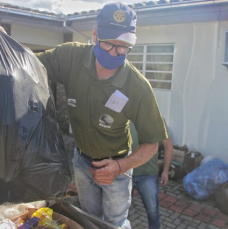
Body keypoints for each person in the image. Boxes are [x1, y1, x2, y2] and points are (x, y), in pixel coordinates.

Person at [36, 2, 168, 228]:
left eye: (123, 47)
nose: (115, 53)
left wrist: (121, 167)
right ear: (95, 34)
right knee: (89, 219)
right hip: (82, 161)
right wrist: (4, 44)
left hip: (117, 166)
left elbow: (152, 144)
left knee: (115, 224)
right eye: (108, 44)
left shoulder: (138, 87)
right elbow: (28, 63)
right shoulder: (71, 57)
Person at [131, 122, 173, 229]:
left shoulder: (156, 119)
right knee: (120, 212)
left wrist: (165, 171)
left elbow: (168, 146)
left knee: (153, 212)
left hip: (148, 175)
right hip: (125, 174)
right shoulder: (123, 117)